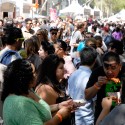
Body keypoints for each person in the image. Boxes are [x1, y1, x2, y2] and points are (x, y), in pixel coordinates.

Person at [1, 59, 74, 125]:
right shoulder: (19, 104)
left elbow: (39, 109)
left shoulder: (28, 91)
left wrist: (58, 106)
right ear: (23, 78)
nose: (36, 74)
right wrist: (60, 116)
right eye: (33, 72)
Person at [85, 52, 125, 123]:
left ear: (120, 65)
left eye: (113, 68)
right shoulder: (97, 72)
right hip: (101, 114)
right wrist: (97, 85)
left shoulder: (123, 73)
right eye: (106, 67)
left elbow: (116, 102)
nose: (109, 71)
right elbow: (87, 96)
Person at [36, 54, 76, 125]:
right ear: (52, 69)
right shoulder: (45, 89)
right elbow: (46, 117)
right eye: (61, 68)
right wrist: (61, 114)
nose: (64, 70)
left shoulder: (56, 84)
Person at [68, 47, 97, 125]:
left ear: (80, 59)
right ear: (95, 61)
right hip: (87, 119)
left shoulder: (73, 75)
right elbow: (95, 101)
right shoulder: (92, 77)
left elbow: (69, 95)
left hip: (74, 117)